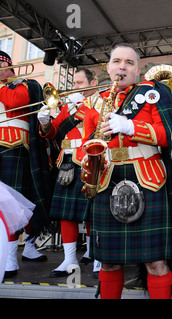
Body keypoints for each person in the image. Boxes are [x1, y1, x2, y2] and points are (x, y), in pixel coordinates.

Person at [80, 43, 172, 299]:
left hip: (148, 178)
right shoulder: (94, 101)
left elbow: (167, 136)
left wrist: (131, 127)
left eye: (129, 63)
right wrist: (87, 155)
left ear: (138, 69)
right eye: (117, 62)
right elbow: (86, 143)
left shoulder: (154, 92)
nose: (122, 67)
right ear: (108, 67)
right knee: (109, 261)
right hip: (107, 179)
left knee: (155, 262)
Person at [38, 68, 100, 278]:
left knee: (94, 212)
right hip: (67, 160)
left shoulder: (101, 101)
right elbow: (53, 132)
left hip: (91, 157)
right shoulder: (68, 107)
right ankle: (70, 259)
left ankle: (95, 253)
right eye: (74, 84)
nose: (75, 88)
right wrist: (45, 122)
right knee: (66, 214)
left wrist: (82, 107)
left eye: (80, 83)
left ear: (93, 82)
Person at [0, 51, 51, 278]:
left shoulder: (25, 82)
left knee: (16, 202)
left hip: (14, 147)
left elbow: (14, 101)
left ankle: (14, 256)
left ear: (6, 64)